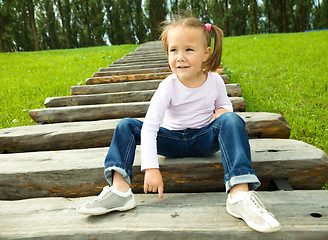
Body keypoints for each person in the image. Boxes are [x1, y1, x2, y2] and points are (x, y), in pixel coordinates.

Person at [77, 16, 281, 233]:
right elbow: (150, 127)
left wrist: (223, 111)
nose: (180, 57)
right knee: (126, 125)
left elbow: (225, 106)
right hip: (172, 141)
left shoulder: (215, 80)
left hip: (204, 140)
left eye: (189, 50)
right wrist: (151, 167)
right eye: (174, 50)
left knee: (232, 120)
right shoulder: (168, 86)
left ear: (206, 53)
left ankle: (239, 194)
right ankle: (120, 190)